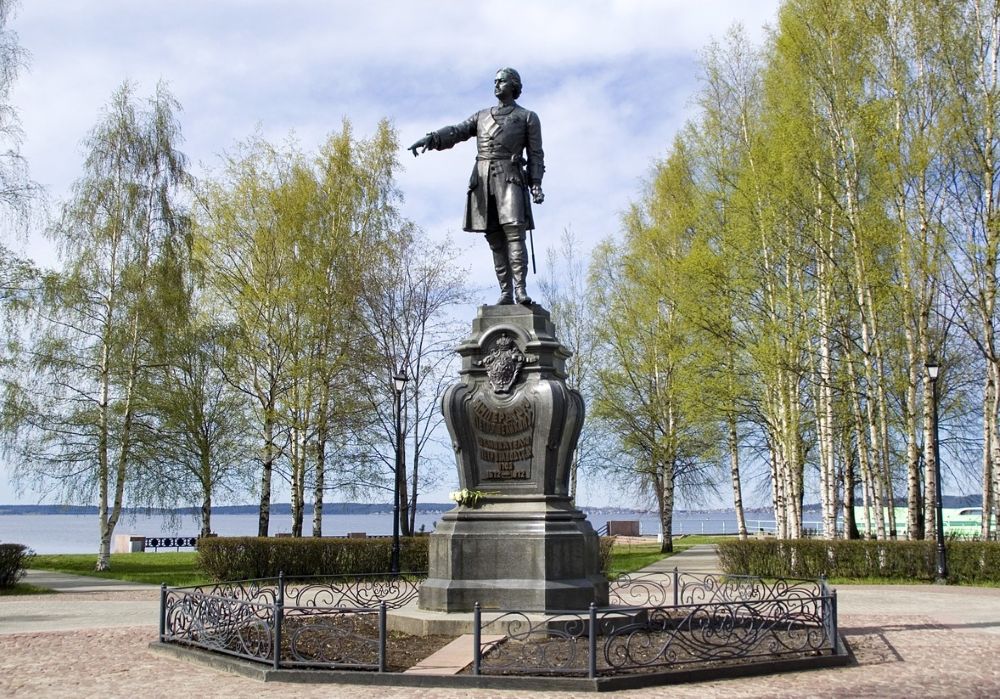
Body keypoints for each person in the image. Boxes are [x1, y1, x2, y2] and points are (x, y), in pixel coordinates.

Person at [409, 67, 544, 305]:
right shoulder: (482, 116)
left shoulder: (527, 117)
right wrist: (433, 138)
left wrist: (536, 184)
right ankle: (506, 292)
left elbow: (536, 154)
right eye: (495, 81)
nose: (496, 85)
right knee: (494, 238)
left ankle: (520, 290)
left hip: (510, 178)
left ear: (513, 85)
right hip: (483, 181)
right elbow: (457, 131)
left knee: (515, 233)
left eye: (501, 81)